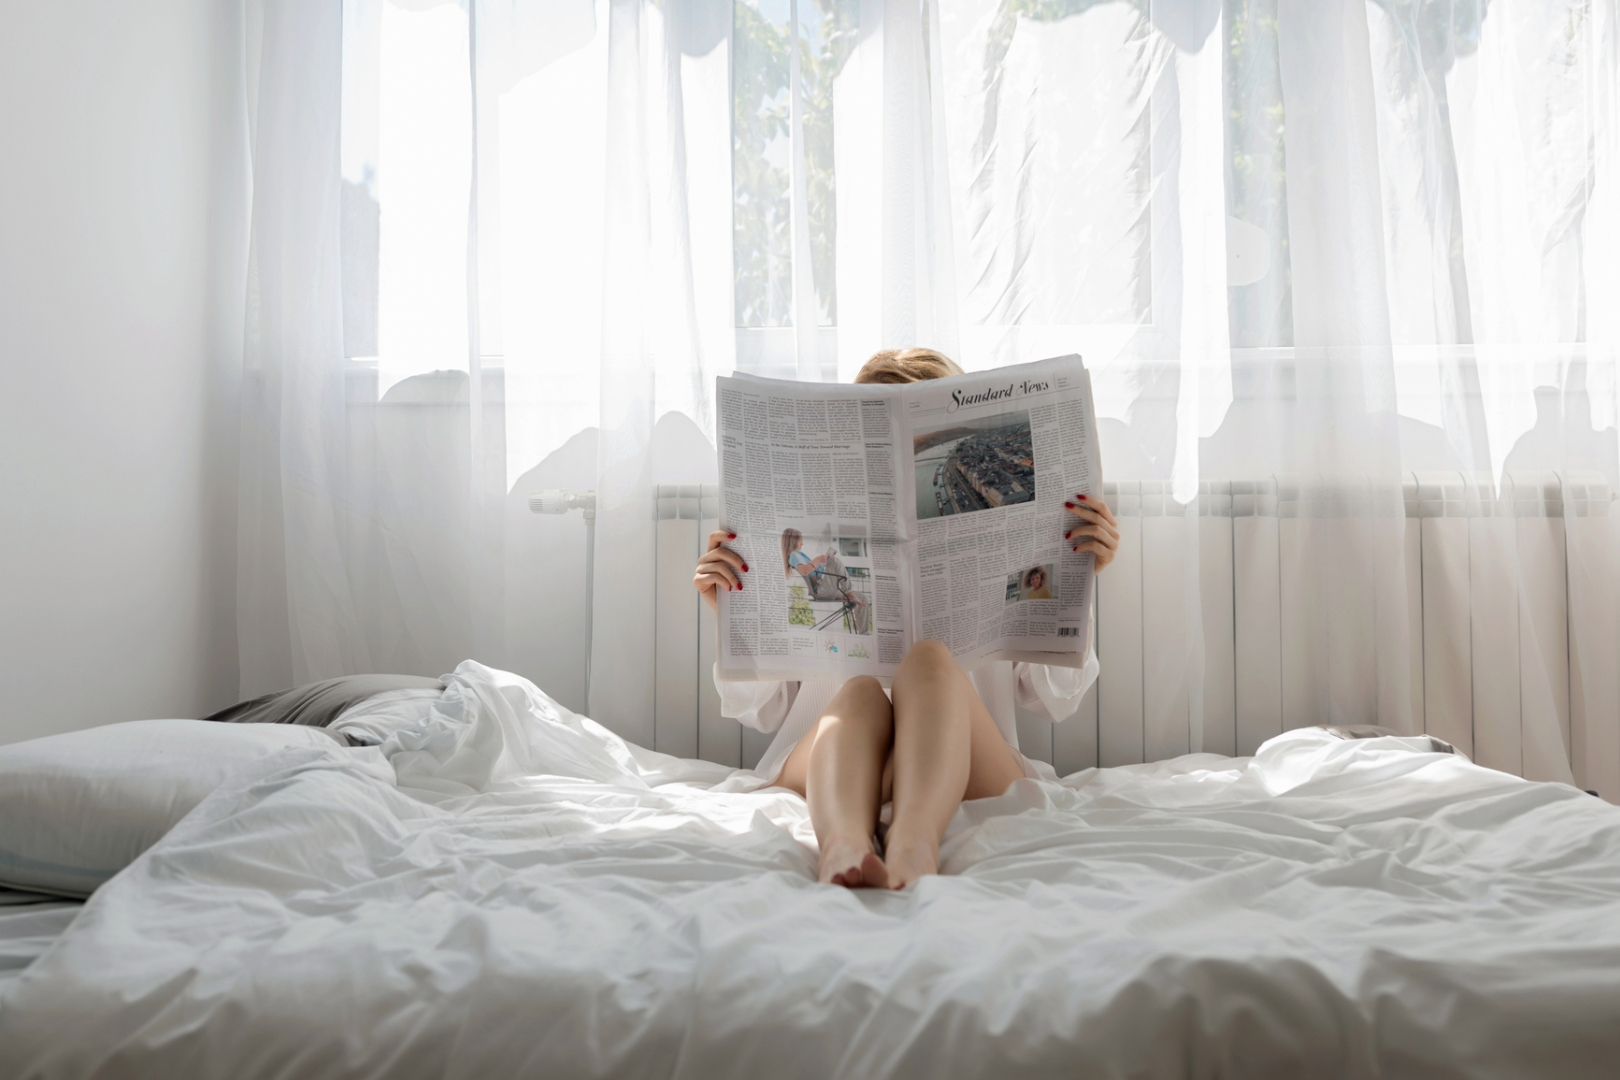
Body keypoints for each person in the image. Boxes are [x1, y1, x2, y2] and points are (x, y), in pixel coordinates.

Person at [692, 348, 1121, 890]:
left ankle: (913, 845)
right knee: (860, 694)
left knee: (930, 663)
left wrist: (1079, 579)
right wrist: (732, 611)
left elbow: (1054, 698)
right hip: (831, 764)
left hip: (968, 767)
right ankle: (843, 845)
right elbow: (764, 710)